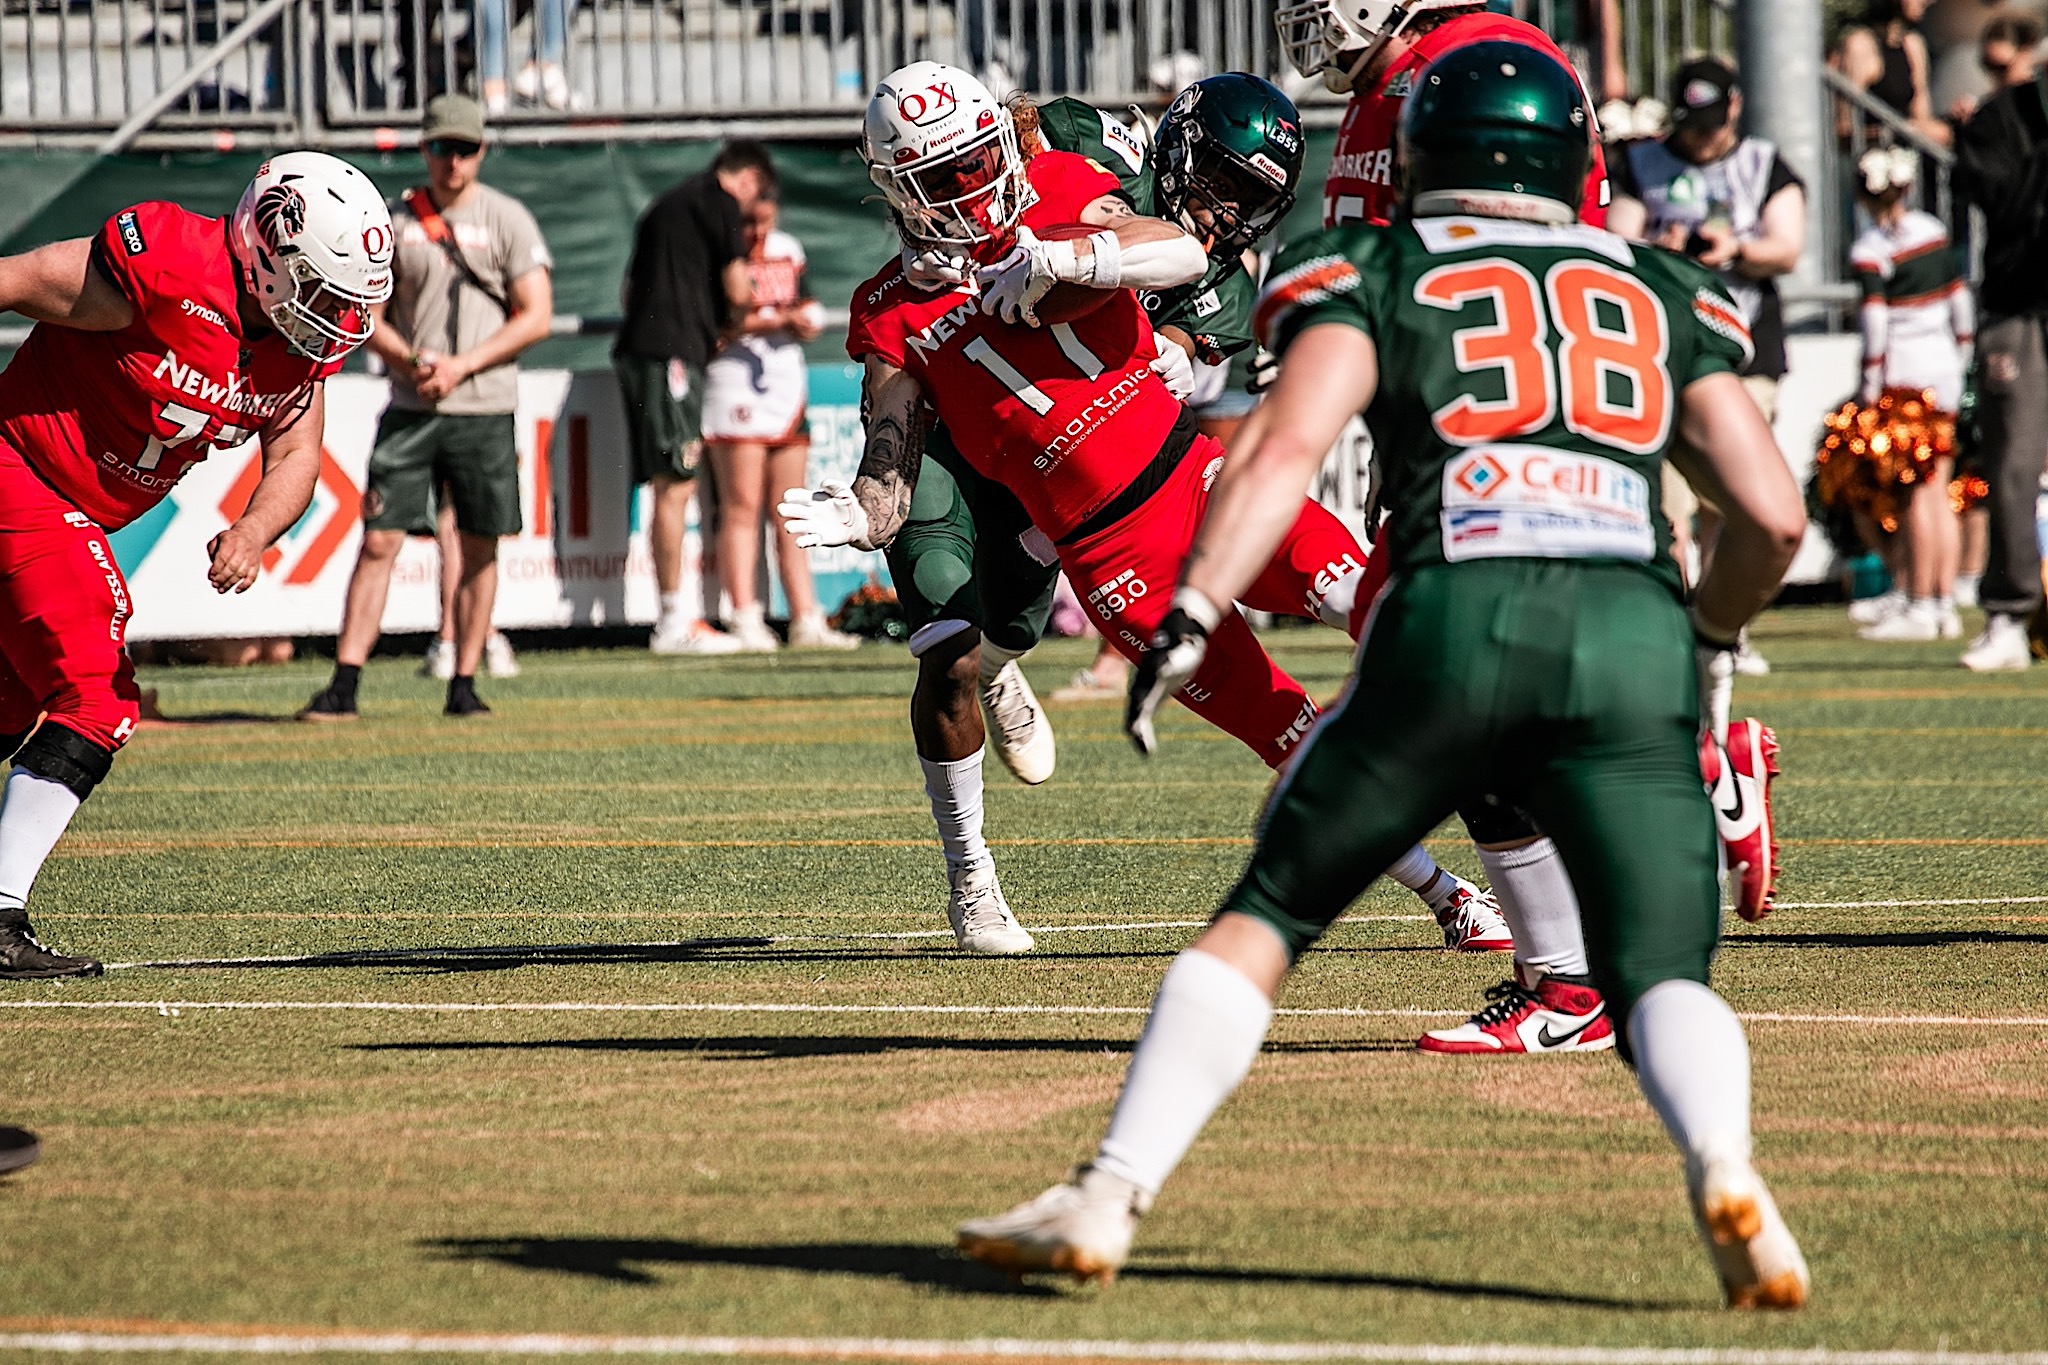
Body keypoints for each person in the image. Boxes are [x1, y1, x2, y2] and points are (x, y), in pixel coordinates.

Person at [957, 42, 1811, 1310]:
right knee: (1660, 971)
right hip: (1629, 627)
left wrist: (1190, 612)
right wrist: (1706, 641)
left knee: (1265, 916)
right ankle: (1728, 1173)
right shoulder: (1662, 282)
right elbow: (1770, 515)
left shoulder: (1370, 266)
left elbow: (1279, 450)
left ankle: (1109, 1190)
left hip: (1449, 612)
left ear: (1419, 157)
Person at [785, 60, 1510, 959]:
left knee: (1385, 610)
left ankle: (1539, 816)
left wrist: (1063, 256)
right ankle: (1452, 896)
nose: (975, 189)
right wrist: (865, 512)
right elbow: (889, 450)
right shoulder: (889, 309)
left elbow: (1180, 250)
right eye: (949, 176)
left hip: (1201, 480)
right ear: (902, 187)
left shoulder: (1055, 181)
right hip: (1109, 557)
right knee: (1277, 721)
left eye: (979, 161)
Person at [1278, 0, 1648, 1054]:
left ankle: (1582, 962)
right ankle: (1564, 976)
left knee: (1457, 705)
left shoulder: (1480, 65)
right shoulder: (1392, 84)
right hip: (1482, 419)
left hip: (1490, 424)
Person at [0, 153, 394, 978]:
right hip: (20, 471)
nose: (336, 320)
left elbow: (296, 458)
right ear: (268, 245)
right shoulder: (170, 263)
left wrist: (253, 529)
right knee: (96, 693)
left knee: (9, 704)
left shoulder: (297, 354)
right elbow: (16, 277)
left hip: (71, 508)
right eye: (322, 291)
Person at [303, 95, 554, 721]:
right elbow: (362, 314)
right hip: (412, 405)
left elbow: (538, 314)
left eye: (465, 149)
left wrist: (463, 366)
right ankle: (345, 683)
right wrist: (414, 361)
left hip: (484, 405)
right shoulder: (391, 221)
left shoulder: (508, 219)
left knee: (480, 544)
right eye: (442, 147)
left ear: (481, 151)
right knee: (381, 539)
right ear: (425, 149)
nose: (453, 161)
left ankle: (464, 681)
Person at [1608, 56, 1806, 679]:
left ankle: (1724, 627)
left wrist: (1737, 251)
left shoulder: (1763, 163)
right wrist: (1659, 255)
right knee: (1667, 504)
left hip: (1743, 348)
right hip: (1658, 349)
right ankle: (1671, 626)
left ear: (1737, 109)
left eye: (1713, 122)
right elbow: (1617, 243)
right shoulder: (1642, 161)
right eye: (1692, 123)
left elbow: (1787, 247)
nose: (1702, 136)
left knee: (1736, 500)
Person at [615, 141, 773, 656]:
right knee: (675, 483)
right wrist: (733, 323)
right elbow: (739, 289)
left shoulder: (666, 203)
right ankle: (671, 621)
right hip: (673, 355)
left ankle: (672, 615)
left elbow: (627, 288)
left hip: (644, 350)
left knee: (667, 480)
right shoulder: (719, 203)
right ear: (748, 178)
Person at [701, 194, 858, 653]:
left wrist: (802, 319)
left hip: (785, 387)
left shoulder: (788, 248)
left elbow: (804, 302)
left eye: (764, 219)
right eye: (748, 222)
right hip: (734, 389)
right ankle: (745, 615)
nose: (757, 231)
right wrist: (779, 319)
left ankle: (806, 617)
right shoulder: (721, 255)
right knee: (741, 507)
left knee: (793, 507)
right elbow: (719, 324)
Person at [1844, 147, 1974, 642]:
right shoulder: (1932, 231)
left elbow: (1876, 323)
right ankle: (1942, 601)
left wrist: (1869, 384)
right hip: (1944, 368)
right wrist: (1961, 357)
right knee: (1939, 491)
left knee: (1918, 493)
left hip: (1904, 374)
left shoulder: (1871, 248)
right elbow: (1959, 303)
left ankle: (1922, 602)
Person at [1951, 38, 2048, 671]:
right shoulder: (1998, 119)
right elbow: (2000, 201)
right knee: (2014, 461)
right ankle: (2009, 614)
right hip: (2021, 306)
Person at [1834, 0, 1950, 148]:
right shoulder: (1860, 45)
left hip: (1905, 161)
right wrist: (1896, 131)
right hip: (1871, 161)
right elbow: (1843, 130)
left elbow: (1922, 119)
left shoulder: (1913, 45)